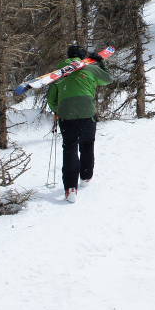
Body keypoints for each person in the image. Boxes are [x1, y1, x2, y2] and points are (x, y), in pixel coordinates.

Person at [46, 46, 113, 203]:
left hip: (66, 114)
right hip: (87, 113)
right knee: (87, 144)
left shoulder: (59, 73)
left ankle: (70, 189)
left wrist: (58, 110)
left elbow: (51, 98)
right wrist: (101, 62)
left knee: (70, 148)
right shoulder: (90, 69)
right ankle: (86, 176)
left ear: (68, 56)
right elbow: (108, 79)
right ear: (83, 57)